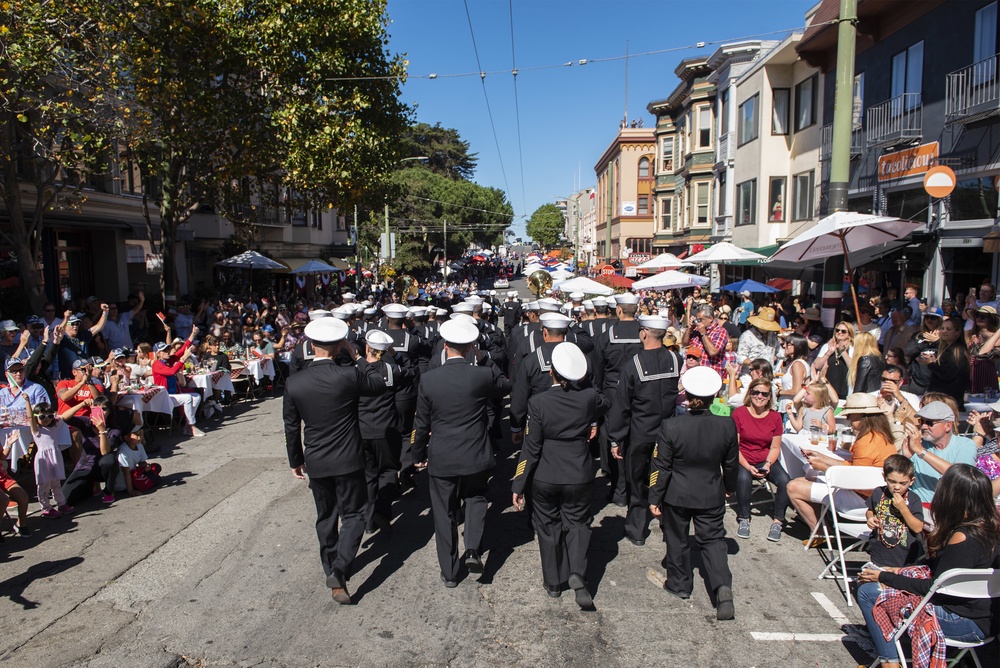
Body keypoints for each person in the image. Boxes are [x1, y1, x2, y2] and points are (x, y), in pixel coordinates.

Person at [283, 317, 387, 605]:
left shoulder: (294, 382)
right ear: (340, 344)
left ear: (311, 345)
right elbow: (378, 384)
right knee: (354, 514)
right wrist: (359, 360)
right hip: (348, 457)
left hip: (316, 459)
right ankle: (340, 568)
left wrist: (295, 460)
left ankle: (331, 568)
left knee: (326, 516)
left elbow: (291, 426)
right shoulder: (348, 374)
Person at [857, 465, 1000, 668]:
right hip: (986, 621)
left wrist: (883, 577)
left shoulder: (962, 536)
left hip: (962, 622)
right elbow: (944, 572)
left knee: (868, 591)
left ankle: (890, 663)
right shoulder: (988, 527)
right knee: (890, 581)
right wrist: (897, 571)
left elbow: (933, 588)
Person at [411, 318, 511, 587]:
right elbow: (505, 385)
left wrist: (417, 453)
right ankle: (473, 549)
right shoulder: (481, 374)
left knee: (443, 513)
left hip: (442, 454)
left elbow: (421, 422)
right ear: (470, 347)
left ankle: (450, 572)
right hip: (476, 452)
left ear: (445, 346)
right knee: (477, 498)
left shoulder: (430, 379)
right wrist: (485, 360)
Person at [511, 342, 610, 607]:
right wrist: (587, 382)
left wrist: (519, 483)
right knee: (578, 523)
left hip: (546, 472)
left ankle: (553, 582)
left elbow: (531, 448)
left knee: (548, 526)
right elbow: (604, 401)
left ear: (551, 372)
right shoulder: (588, 397)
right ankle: (577, 570)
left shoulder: (538, 402)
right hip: (578, 470)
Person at [648, 367, 739, 620]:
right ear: (714, 395)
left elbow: (661, 466)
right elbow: (731, 464)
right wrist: (729, 487)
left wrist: (654, 496)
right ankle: (722, 587)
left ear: (685, 394)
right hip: (710, 490)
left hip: (677, 493)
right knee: (713, 540)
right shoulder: (727, 425)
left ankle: (679, 584)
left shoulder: (671, 426)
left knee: (677, 539)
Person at [608, 314, 681, 546]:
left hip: (640, 433)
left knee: (636, 481)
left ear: (644, 333)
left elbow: (622, 406)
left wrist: (615, 438)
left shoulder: (633, 364)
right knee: (666, 476)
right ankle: (669, 525)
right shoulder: (675, 359)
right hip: (668, 432)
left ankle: (637, 529)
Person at [787, 393, 897, 535]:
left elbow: (854, 479)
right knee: (804, 480)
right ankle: (823, 526)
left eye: (850, 415)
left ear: (863, 416)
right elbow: (853, 467)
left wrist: (824, 467)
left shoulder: (867, 441)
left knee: (793, 487)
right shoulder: (877, 436)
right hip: (869, 494)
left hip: (863, 500)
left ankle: (820, 532)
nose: (847, 419)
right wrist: (822, 458)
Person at [357, 329, 408, 535]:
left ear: (368, 347)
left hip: (362, 428)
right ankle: (383, 511)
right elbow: (411, 371)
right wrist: (395, 354)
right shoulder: (392, 369)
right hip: (387, 428)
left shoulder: (356, 370)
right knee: (388, 471)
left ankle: (369, 519)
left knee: (368, 474)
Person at [731, 378, 789, 542]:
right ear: (750, 393)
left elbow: (775, 447)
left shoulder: (775, 417)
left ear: (770, 396)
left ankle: (778, 520)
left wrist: (768, 464)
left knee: (785, 481)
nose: (759, 396)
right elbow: (735, 446)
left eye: (764, 393)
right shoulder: (739, 413)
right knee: (743, 478)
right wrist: (748, 466)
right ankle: (744, 517)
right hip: (743, 458)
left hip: (765, 459)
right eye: (756, 392)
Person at [901, 401, 978, 508]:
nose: (923, 426)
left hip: (953, 509)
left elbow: (960, 475)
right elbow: (897, 481)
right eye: (921, 421)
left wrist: (921, 451)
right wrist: (906, 459)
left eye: (930, 423)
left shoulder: (965, 444)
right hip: (919, 509)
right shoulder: (915, 443)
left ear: (948, 425)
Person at [864, 454, 925, 568]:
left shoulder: (913, 499)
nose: (897, 487)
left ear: (911, 481)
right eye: (892, 481)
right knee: (879, 581)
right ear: (884, 477)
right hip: (879, 550)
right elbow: (870, 509)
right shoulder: (878, 493)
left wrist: (903, 508)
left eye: (903, 483)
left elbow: (918, 527)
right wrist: (870, 518)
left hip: (905, 554)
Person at [25, 395, 72, 517]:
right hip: (43, 459)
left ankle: (61, 503)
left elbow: (65, 416)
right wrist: (27, 401)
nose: (46, 419)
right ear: (37, 417)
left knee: (56, 483)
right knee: (44, 484)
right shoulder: (37, 430)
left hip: (55, 457)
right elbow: (30, 418)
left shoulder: (52, 427)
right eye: (42, 417)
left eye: (50, 416)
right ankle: (46, 507)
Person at [920, 317, 971, 410]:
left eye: (948, 329)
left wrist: (931, 364)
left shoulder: (956, 351)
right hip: (944, 400)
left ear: (957, 332)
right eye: (942, 328)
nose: (944, 331)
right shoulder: (947, 348)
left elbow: (948, 374)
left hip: (948, 401)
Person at [904, 307, 943, 394]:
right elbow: (909, 351)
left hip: (937, 381)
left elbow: (948, 352)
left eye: (933, 318)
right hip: (917, 381)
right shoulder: (917, 336)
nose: (929, 320)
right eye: (927, 317)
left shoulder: (945, 337)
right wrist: (925, 342)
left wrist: (937, 341)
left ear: (939, 320)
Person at [813, 321, 855, 399]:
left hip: (844, 389)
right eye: (837, 330)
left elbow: (853, 367)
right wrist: (829, 353)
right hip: (826, 387)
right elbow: (817, 365)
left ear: (849, 334)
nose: (839, 332)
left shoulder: (853, 348)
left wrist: (843, 351)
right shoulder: (827, 346)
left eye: (843, 331)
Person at [964, 305, 1000, 395]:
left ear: (991, 320)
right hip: (969, 372)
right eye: (977, 316)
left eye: (983, 317)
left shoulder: (996, 337)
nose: (979, 318)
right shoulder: (968, 334)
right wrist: (970, 348)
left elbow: (990, 356)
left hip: (987, 372)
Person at [776, 333, 811, 414]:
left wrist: (778, 392)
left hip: (792, 410)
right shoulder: (798, 363)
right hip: (791, 409)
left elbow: (796, 390)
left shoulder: (797, 364)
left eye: (788, 344)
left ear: (798, 346)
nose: (784, 346)